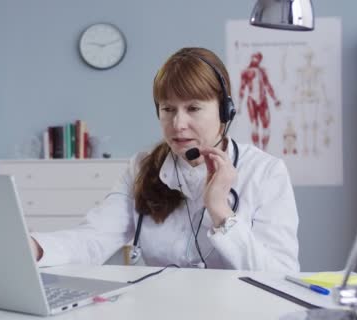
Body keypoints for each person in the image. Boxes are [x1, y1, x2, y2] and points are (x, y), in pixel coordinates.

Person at [30, 47, 299, 272]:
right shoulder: (141, 167)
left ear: (225, 112)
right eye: (168, 109)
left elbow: (280, 275)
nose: (178, 123)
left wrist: (221, 212)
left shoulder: (265, 172)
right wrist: (34, 248)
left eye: (193, 108)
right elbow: (93, 238)